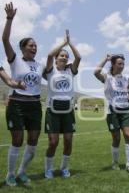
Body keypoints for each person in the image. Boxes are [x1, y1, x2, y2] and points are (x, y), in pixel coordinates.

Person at [3, 2, 45, 186]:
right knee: (17, 140)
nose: (34, 48)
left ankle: (22, 172)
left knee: (33, 142)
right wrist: (9, 19)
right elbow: (5, 40)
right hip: (16, 104)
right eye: (30, 45)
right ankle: (10, 174)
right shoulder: (15, 60)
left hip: (35, 105)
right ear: (22, 48)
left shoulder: (40, 65)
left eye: (35, 46)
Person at [43, 30, 81, 179]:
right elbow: (49, 55)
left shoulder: (70, 71)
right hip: (53, 110)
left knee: (68, 141)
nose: (64, 58)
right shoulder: (50, 71)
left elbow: (79, 57)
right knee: (53, 142)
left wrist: (70, 43)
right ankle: (48, 169)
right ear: (57, 58)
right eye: (62, 55)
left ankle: (64, 168)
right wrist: (62, 44)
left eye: (66, 56)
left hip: (68, 110)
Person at [94, 54, 129, 173]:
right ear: (113, 64)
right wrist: (105, 59)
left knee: (128, 136)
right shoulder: (107, 77)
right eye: (119, 63)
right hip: (112, 111)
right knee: (116, 138)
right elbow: (96, 72)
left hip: (125, 110)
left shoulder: (126, 79)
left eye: (123, 64)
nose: (122, 66)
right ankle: (115, 162)